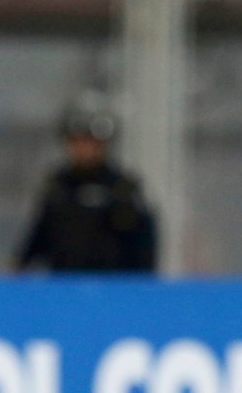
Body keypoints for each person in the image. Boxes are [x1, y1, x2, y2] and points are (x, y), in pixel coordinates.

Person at [17, 95, 157, 274]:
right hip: (64, 290)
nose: (84, 148)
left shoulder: (123, 190)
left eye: (92, 142)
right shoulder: (57, 187)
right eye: (77, 141)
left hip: (112, 292)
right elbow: (37, 240)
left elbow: (143, 248)